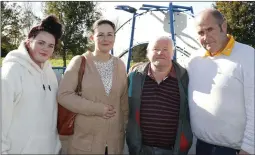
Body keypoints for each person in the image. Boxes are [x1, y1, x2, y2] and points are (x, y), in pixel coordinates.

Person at [186, 9, 254, 155]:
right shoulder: (194, 59)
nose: (206, 37)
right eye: (200, 33)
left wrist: (249, 148)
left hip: (235, 150)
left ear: (223, 27)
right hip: (201, 147)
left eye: (210, 29)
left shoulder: (248, 56)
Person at [57, 19, 128, 154]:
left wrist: (125, 125)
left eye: (110, 34)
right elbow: (64, 95)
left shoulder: (120, 64)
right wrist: (97, 108)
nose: (105, 39)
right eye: (100, 35)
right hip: (86, 143)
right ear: (92, 37)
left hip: (114, 143)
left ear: (114, 37)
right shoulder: (79, 61)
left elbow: (123, 101)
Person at [2, 15, 63, 154]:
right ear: (29, 41)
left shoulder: (51, 75)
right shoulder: (12, 72)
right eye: (41, 43)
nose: (45, 49)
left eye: (50, 45)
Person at [126, 35, 193, 155]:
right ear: (147, 53)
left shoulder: (185, 78)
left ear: (172, 53)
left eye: (166, 49)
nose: (160, 52)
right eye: (155, 49)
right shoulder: (134, 77)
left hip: (173, 150)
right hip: (140, 149)